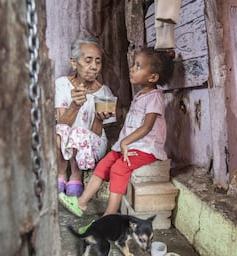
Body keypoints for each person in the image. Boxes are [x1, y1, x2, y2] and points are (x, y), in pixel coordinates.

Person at [58, 47, 174, 219]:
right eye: (134, 65)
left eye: (138, 66)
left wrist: (125, 142)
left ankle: (109, 216)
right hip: (128, 145)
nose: (132, 68)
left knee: (119, 169)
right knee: (104, 165)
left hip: (145, 148)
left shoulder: (155, 97)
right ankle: (81, 203)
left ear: (153, 77)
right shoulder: (141, 94)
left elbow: (147, 127)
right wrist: (122, 143)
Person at [55, 37, 116, 197]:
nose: (94, 67)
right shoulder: (62, 84)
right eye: (88, 61)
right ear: (74, 63)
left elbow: (98, 133)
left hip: (92, 144)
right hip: (65, 139)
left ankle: (76, 176)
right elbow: (61, 123)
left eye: (98, 62)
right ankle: (61, 173)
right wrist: (75, 105)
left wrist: (99, 119)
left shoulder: (105, 93)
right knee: (59, 130)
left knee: (79, 132)